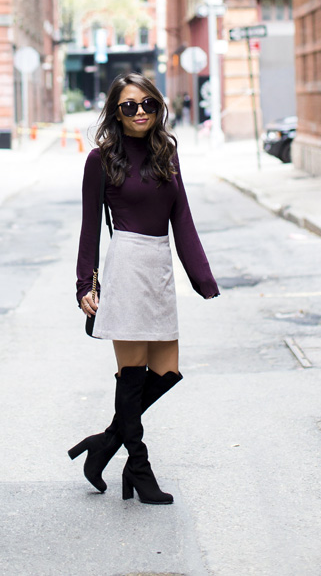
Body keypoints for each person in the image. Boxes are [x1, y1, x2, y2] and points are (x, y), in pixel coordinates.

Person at [69, 72, 219, 505]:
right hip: (127, 267)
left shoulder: (166, 153)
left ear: (159, 107)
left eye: (148, 104)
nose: (140, 113)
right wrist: (85, 284)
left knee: (167, 371)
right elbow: (89, 228)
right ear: (116, 113)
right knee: (132, 375)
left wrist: (201, 277)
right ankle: (138, 464)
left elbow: (183, 218)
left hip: (159, 268)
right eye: (129, 106)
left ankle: (105, 444)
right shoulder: (101, 159)